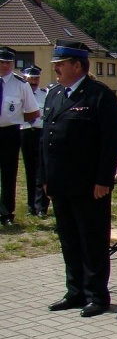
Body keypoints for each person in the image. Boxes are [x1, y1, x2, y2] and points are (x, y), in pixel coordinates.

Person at [41, 40, 117, 317]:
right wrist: (45, 178)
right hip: (61, 183)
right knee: (69, 239)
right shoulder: (54, 95)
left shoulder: (99, 96)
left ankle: (97, 295)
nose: (56, 70)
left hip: (90, 185)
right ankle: (75, 291)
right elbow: (46, 140)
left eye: (60, 65)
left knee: (92, 240)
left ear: (78, 65)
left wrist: (104, 180)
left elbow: (111, 142)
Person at [0, 47, 40, 226]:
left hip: (10, 131)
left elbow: (33, 111)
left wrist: (15, 118)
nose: (5, 66)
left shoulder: (20, 84)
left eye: (8, 62)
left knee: (9, 173)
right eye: (2, 62)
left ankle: (7, 212)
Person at [20, 65, 50, 217]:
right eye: (30, 79)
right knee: (30, 171)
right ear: (24, 79)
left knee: (41, 170)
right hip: (25, 133)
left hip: (40, 133)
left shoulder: (45, 94)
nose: (34, 82)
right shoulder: (21, 94)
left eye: (36, 78)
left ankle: (41, 207)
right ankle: (31, 205)